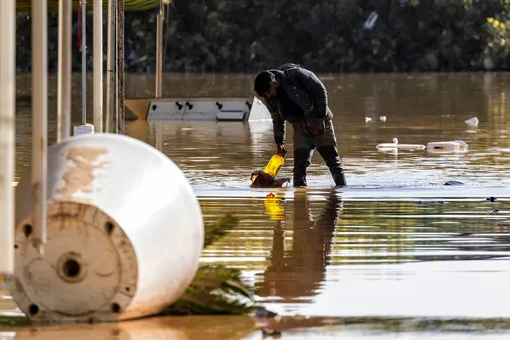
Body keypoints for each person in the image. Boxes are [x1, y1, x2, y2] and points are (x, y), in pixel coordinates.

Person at [253, 63, 347, 187]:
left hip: (319, 123)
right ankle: (300, 202)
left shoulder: (296, 75)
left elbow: (320, 91)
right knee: (299, 167)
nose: (268, 96)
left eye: (269, 92)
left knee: (333, 163)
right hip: (300, 129)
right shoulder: (269, 96)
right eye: (265, 95)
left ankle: (340, 195)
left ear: (274, 82)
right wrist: (279, 142)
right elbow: (277, 119)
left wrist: (320, 118)